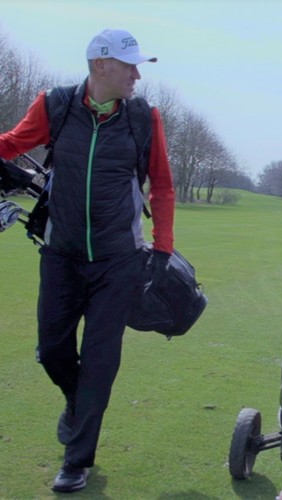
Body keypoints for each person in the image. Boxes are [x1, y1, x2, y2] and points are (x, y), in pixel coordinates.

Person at [0, 28, 175, 492]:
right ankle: (76, 403)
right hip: (61, 255)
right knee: (53, 349)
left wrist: (161, 247)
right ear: (101, 66)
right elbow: (11, 144)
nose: (137, 75)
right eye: (129, 65)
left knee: (100, 360)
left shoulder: (143, 117)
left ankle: (76, 460)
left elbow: (162, 184)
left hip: (119, 260)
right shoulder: (54, 106)